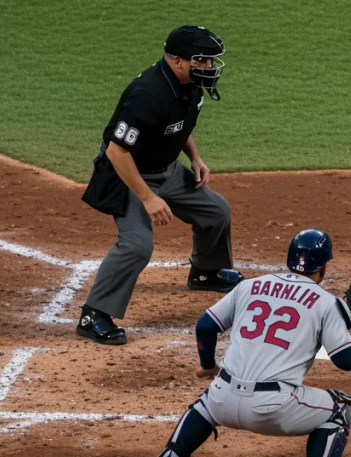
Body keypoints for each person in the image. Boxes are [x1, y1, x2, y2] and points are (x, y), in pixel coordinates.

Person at [143, 229, 351, 457]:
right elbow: (346, 360)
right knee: (339, 408)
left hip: (224, 401)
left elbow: (205, 326)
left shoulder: (249, 286)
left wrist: (208, 367)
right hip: (274, 410)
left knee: (208, 401)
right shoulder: (326, 302)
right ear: (324, 264)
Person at [77, 25, 242, 346]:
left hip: (165, 168)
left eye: (210, 61)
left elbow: (179, 124)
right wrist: (148, 198)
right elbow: (116, 150)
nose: (209, 67)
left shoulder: (189, 83)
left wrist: (195, 157)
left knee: (216, 212)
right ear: (177, 60)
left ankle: (205, 273)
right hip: (126, 175)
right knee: (137, 245)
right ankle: (93, 314)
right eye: (202, 61)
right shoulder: (147, 95)